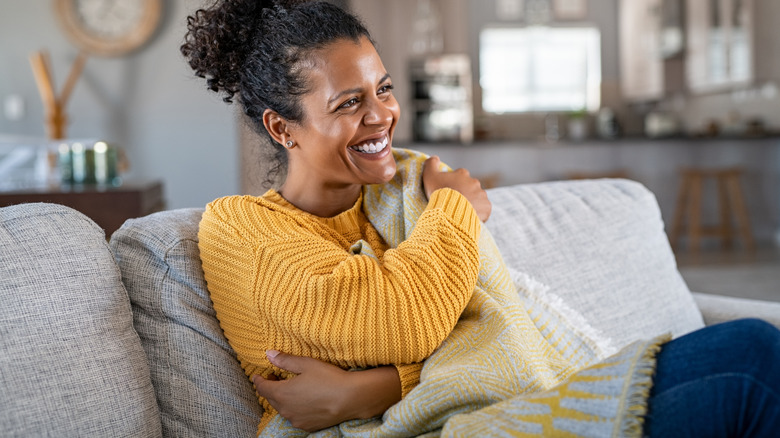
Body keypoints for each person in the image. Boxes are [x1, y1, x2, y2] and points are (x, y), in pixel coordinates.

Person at [182, 1, 780, 436]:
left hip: (507, 404)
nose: (383, 115)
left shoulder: (399, 193)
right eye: (349, 102)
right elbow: (400, 319)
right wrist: (457, 210)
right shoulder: (238, 228)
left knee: (754, 347)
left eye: (383, 89)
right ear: (282, 128)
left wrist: (371, 388)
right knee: (754, 362)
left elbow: (493, 324)